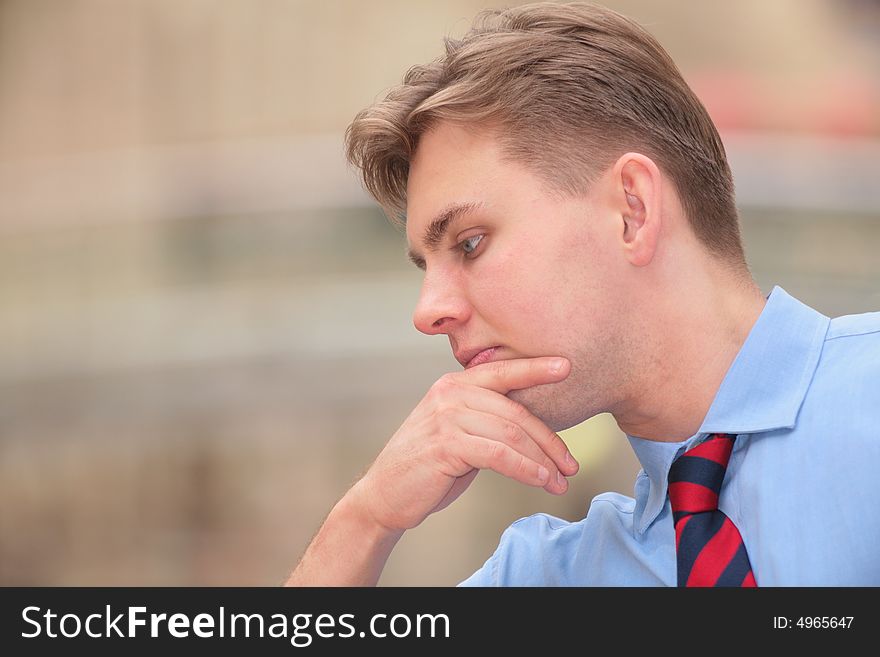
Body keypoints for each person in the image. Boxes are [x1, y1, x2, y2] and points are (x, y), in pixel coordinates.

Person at [285, 1, 880, 586]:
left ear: (631, 210)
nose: (428, 311)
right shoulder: (549, 577)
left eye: (469, 243)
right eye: (426, 265)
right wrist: (365, 520)